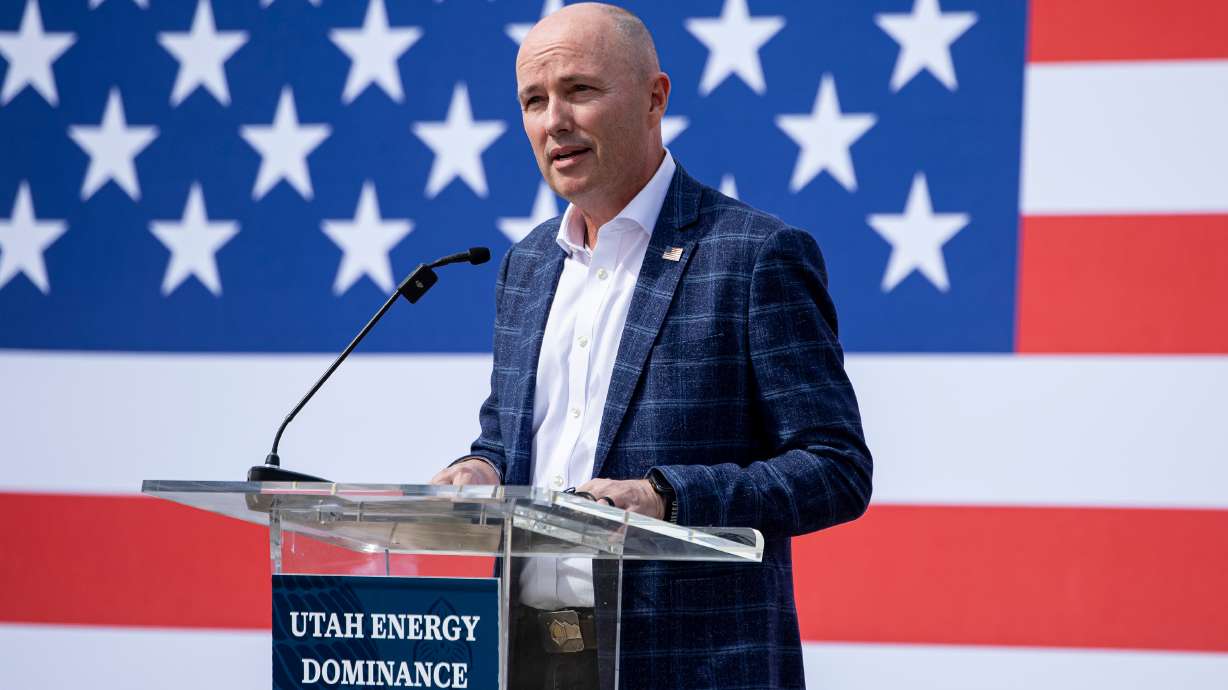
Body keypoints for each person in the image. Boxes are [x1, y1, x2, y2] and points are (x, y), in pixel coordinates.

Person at [431, 3, 872, 688]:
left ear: (654, 98)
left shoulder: (752, 254)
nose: (554, 121)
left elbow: (836, 470)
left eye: (579, 90)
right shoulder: (528, 267)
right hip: (529, 656)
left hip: (689, 664)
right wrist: (479, 470)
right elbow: (507, 440)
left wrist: (665, 497)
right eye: (534, 100)